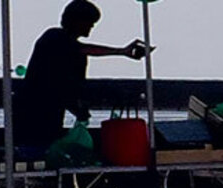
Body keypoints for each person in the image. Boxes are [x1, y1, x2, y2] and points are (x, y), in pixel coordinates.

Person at [13, 0, 147, 150]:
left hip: (51, 112)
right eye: (89, 22)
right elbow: (76, 56)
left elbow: (69, 87)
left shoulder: (75, 54)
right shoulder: (54, 37)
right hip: (32, 112)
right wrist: (121, 51)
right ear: (76, 20)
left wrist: (79, 110)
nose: (91, 26)